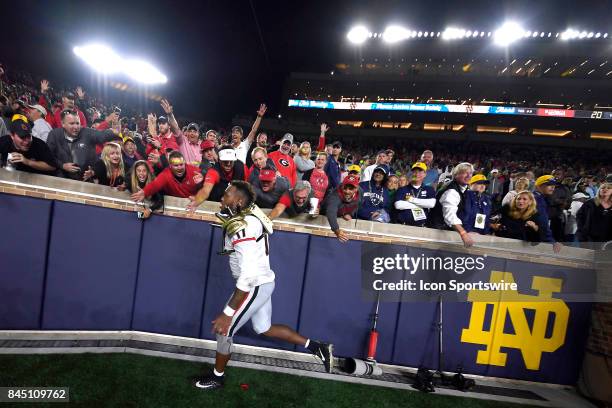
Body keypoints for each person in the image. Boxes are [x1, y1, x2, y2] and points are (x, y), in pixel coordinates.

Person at [194, 181, 333, 390]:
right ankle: (317, 347)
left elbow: (247, 276)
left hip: (254, 284)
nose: (222, 198)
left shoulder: (244, 226)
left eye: (228, 195)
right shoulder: (250, 215)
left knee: (224, 330)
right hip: (263, 281)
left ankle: (217, 377)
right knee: (263, 327)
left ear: (239, 201)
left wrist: (228, 313)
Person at [46, 110, 118, 180]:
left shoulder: (87, 132)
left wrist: (114, 132)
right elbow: (48, 156)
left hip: (84, 180)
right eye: (72, 123)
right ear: (63, 124)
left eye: (77, 123)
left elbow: (102, 135)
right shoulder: (54, 134)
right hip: (61, 179)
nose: (76, 127)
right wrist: (62, 165)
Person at [428, 162, 475, 247]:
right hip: (438, 232)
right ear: (456, 174)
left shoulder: (463, 189)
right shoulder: (451, 191)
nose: (469, 176)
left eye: (470, 173)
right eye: (465, 173)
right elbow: (450, 215)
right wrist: (463, 233)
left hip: (444, 230)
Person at [131, 151, 203, 200]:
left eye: (181, 164)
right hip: (174, 205)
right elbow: (156, 184)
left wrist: (203, 180)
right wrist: (145, 192)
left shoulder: (194, 171)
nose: (179, 168)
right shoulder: (166, 174)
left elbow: (210, 181)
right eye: (176, 165)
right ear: (170, 166)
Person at [394, 162, 436, 226]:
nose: (417, 174)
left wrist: (411, 200)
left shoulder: (429, 189)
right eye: (414, 171)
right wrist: (423, 205)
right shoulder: (402, 189)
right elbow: (398, 205)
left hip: (422, 226)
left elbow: (431, 204)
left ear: (425, 174)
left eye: (420, 171)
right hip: (403, 225)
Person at [322, 174, 361, 243]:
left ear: (356, 189)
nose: (347, 191)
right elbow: (331, 212)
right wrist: (336, 230)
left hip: (340, 213)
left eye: (351, 188)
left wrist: (350, 213)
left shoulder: (360, 192)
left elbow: (358, 204)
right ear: (342, 186)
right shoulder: (335, 195)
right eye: (345, 188)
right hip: (323, 216)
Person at [533, 175, 562, 252]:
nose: (553, 187)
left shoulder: (538, 197)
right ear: (539, 186)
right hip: (533, 239)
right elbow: (542, 223)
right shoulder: (538, 199)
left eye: (554, 185)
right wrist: (551, 241)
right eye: (549, 185)